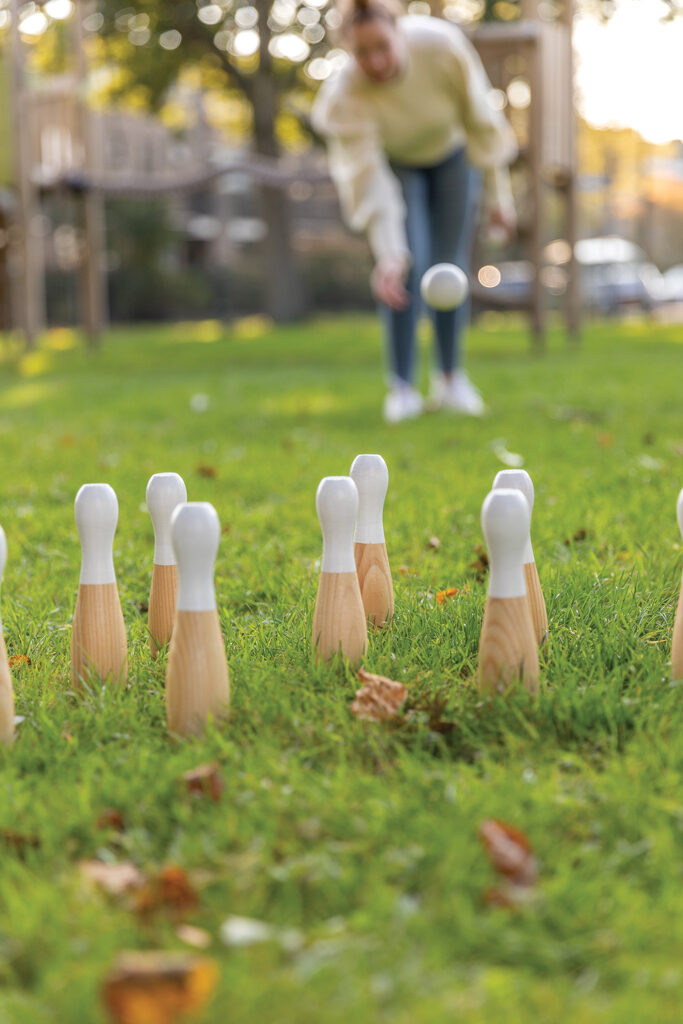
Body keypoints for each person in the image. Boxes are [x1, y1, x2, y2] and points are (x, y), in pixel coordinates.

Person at [312, 0, 518, 422]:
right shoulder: (345, 96)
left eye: (382, 46)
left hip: (453, 155)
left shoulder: (442, 48)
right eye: (362, 53)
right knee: (406, 267)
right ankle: (402, 388)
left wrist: (500, 197)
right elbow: (369, 181)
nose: (376, 61)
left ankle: (450, 379)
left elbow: (481, 122)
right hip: (397, 166)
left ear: (398, 30)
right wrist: (389, 253)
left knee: (448, 267)